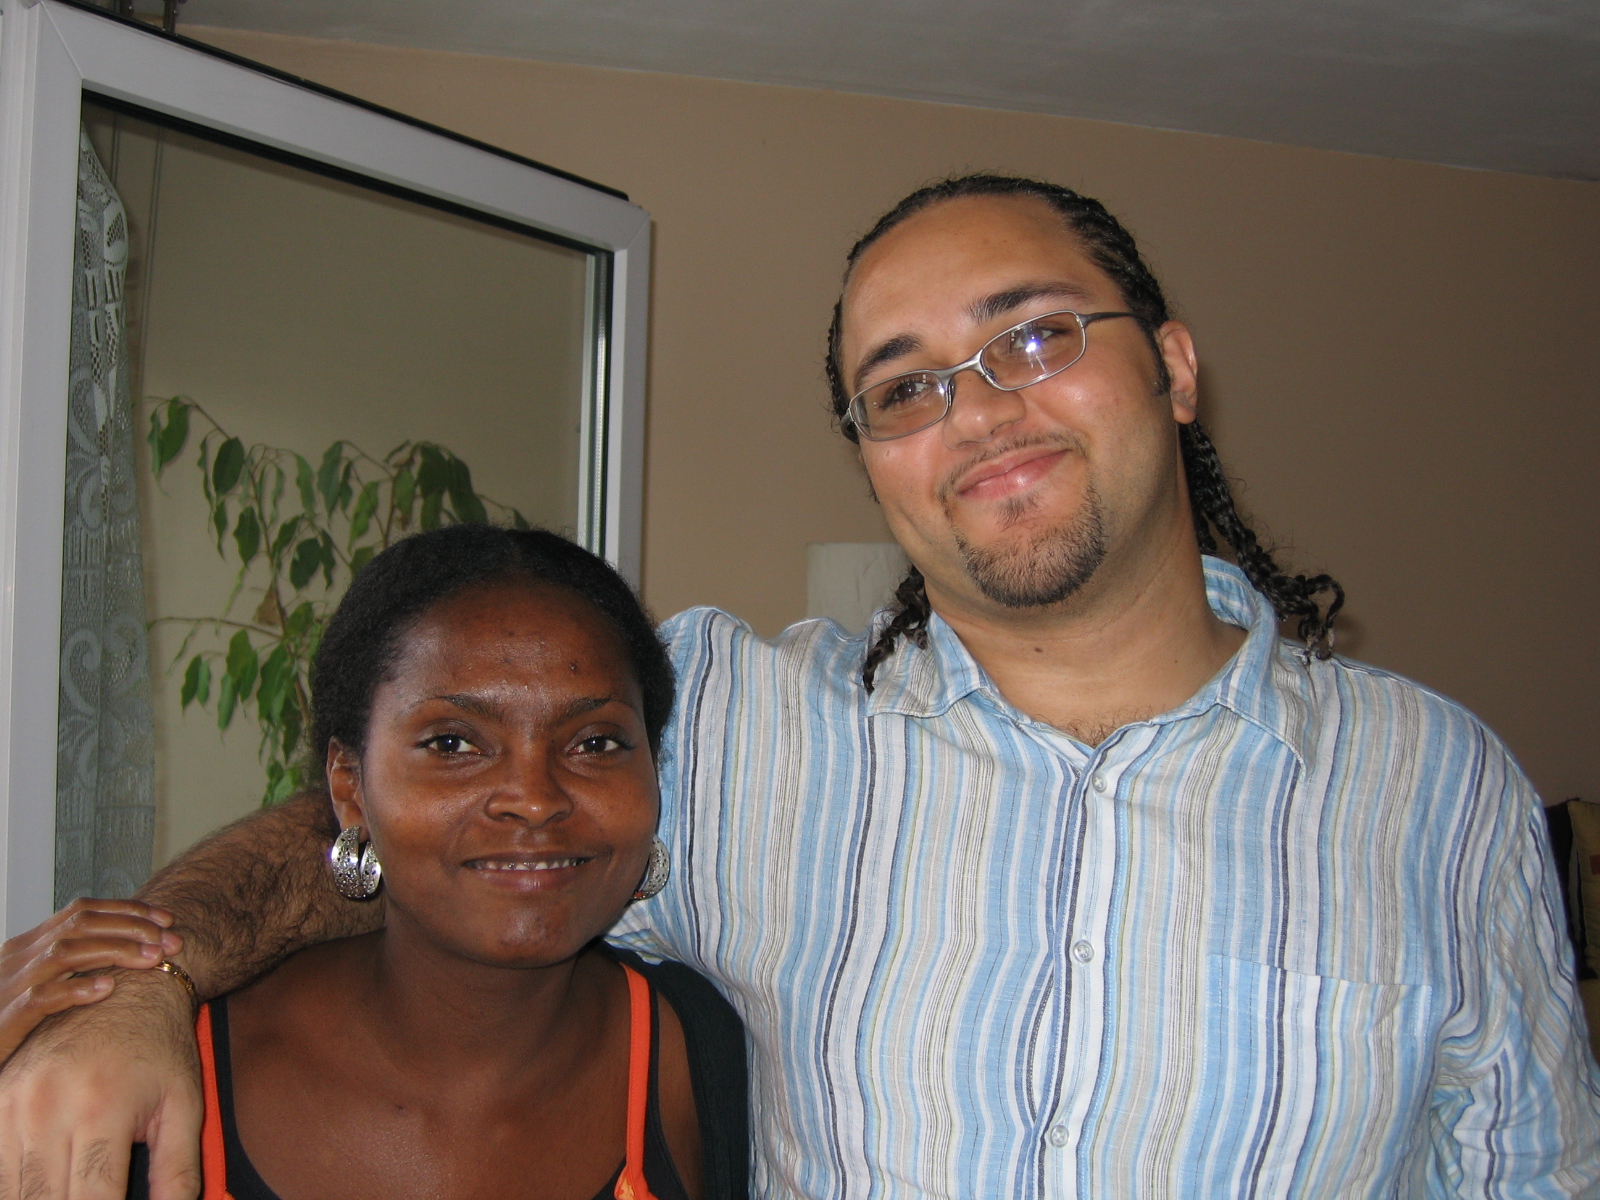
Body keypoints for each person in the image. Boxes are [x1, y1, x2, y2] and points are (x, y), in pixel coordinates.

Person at [3, 173, 1597, 1199]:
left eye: (1037, 337)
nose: (978, 410)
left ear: (1173, 369)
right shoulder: (731, 723)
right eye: (903, 387)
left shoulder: (1437, 786)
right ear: (873, 456)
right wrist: (144, 983)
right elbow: (403, 839)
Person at [4, 525, 748, 1200]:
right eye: (453, 743)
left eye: (595, 743)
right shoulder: (139, 1074)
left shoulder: (698, 1050)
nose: (533, 798)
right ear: (349, 787)